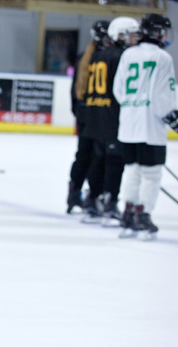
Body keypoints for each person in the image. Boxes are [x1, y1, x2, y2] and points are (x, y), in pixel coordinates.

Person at [113, 13, 178, 240]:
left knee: (133, 170)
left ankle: (129, 213)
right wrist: (172, 116)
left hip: (129, 125)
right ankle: (144, 214)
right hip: (150, 126)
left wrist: (133, 106)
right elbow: (163, 95)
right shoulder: (163, 58)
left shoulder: (128, 54)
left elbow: (119, 90)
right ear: (157, 32)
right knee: (151, 174)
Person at [79, 17, 140, 226]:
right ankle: (110, 202)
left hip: (95, 115)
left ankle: (92, 200)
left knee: (98, 159)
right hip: (111, 116)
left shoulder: (98, 55)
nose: (135, 39)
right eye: (131, 34)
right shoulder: (121, 56)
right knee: (114, 161)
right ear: (119, 35)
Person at [66, 20, 110, 214]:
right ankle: (90, 196)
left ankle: (75, 194)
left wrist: (79, 113)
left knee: (84, 155)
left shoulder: (84, 56)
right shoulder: (104, 57)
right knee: (94, 156)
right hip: (97, 115)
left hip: (85, 114)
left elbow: (74, 91)